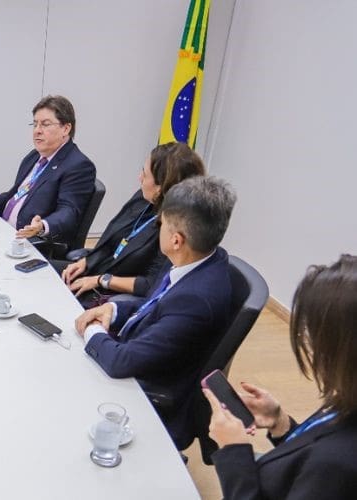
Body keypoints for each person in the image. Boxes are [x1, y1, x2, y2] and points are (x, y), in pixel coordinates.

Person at [75, 176, 236, 447]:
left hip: (141, 386)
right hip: (138, 350)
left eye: (161, 224)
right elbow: (156, 303)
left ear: (176, 240)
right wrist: (112, 310)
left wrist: (91, 329)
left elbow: (120, 363)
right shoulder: (200, 258)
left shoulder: (196, 300)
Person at [205, 255, 357, 499]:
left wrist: (233, 450)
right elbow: (307, 453)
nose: (308, 344)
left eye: (311, 335)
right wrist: (281, 424)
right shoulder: (349, 398)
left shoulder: (336, 465)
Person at [60, 142, 205, 308]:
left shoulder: (174, 229)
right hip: (96, 271)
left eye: (145, 174)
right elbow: (112, 239)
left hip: (112, 294)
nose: (140, 178)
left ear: (160, 187)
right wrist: (87, 262)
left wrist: (102, 280)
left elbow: (150, 284)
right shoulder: (142, 198)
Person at [0, 95, 96, 243]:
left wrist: (42, 226)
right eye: (35, 124)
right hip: (3, 231)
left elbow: (69, 212)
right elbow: (15, 195)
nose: (37, 130)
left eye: (45, 124)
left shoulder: (78, 165)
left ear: (66, 128)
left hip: (31, 243)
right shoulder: (34, 156)